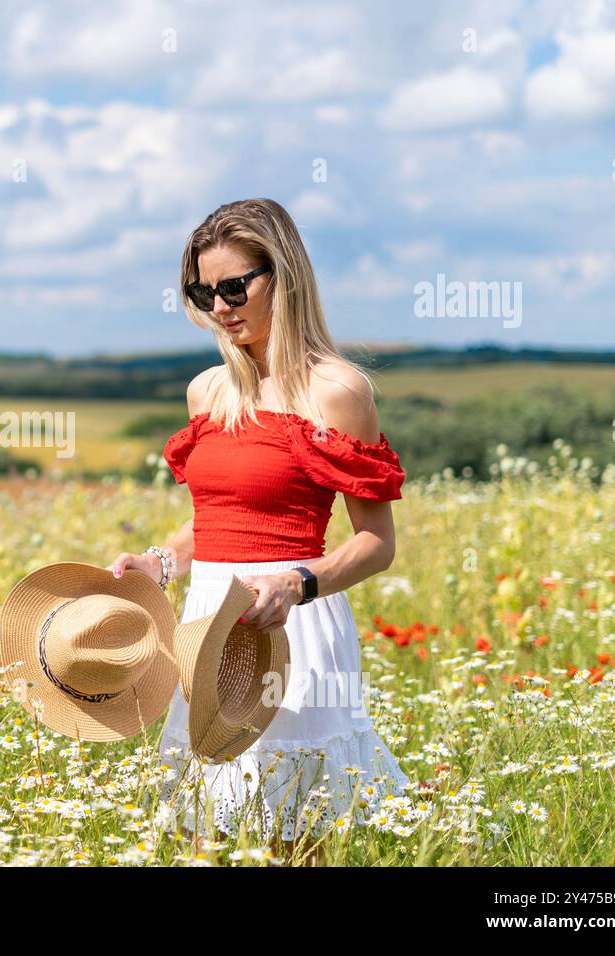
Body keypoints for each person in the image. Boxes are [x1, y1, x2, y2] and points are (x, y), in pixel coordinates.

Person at [108, 198, 410, 864]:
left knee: (291, 841)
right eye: (202, 292)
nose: (219, 306)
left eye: (235, 286)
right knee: (205, 835)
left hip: (291, 627)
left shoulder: (337, 391)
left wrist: (300, 582)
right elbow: (214, 518)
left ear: (284, 274)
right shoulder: (208, 391)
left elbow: (375, 544)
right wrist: (160, 561)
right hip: (206, 626)